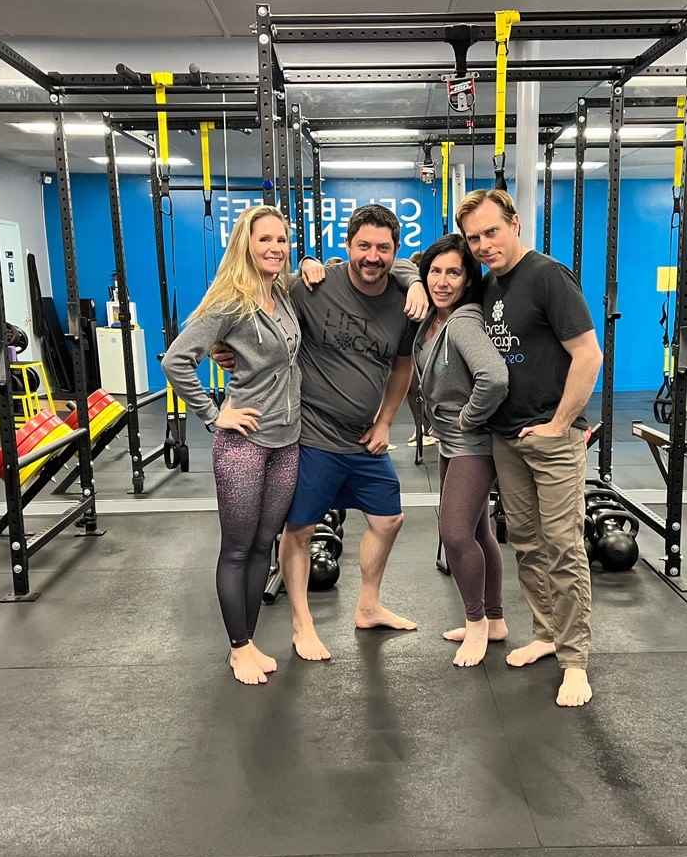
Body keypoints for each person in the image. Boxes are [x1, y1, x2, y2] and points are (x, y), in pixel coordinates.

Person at [215, 204, 428, 662]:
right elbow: (251, 301)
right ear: (346, 246)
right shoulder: (311, 286)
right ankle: (302, 623)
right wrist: (222, 346)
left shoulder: (403, 300)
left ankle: (368, 606)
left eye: (383, 248)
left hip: (363, 438)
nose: (372, 256)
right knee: (299, 530)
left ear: (396, 251)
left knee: (389, 519)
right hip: (311, 435)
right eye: (363, 246)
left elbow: (402, 366)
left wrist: (386, 421)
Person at [456, 188, 603, 708]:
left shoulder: (548, 276)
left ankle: (575, 661)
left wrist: (560, 424)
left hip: (552, 439)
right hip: (507, 437)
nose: (484, 245)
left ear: (515, 224)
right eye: (474, 238)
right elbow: (430, 274)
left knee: (563, 546)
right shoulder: (489, 285)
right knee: (526, 542)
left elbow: (588, 354)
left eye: (492, 232)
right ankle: (545, 633)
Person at [162, 204, 301, 686]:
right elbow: (177, 360)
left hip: (287, 441)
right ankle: (238, 647)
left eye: (281, 239)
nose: (275, 248)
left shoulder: (281, 294)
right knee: (238, 549)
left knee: (265, 545)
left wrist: (312, 264)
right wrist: (212, 412)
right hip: (244, 443)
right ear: (245, 244)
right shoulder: (230, 301)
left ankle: (250, 640)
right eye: (265, 239)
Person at [412, 234, 509, 668]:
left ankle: (476, 623)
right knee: (479, 531)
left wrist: (469, 418)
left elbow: (495, 377)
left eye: (454, 272)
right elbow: (401, 270)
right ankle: (495, 618)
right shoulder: (434, 318)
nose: (443, 281)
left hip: (472, 443)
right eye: (435, 271)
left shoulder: (464, 320)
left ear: (469, 279)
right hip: (452, 441)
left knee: (454, 534)